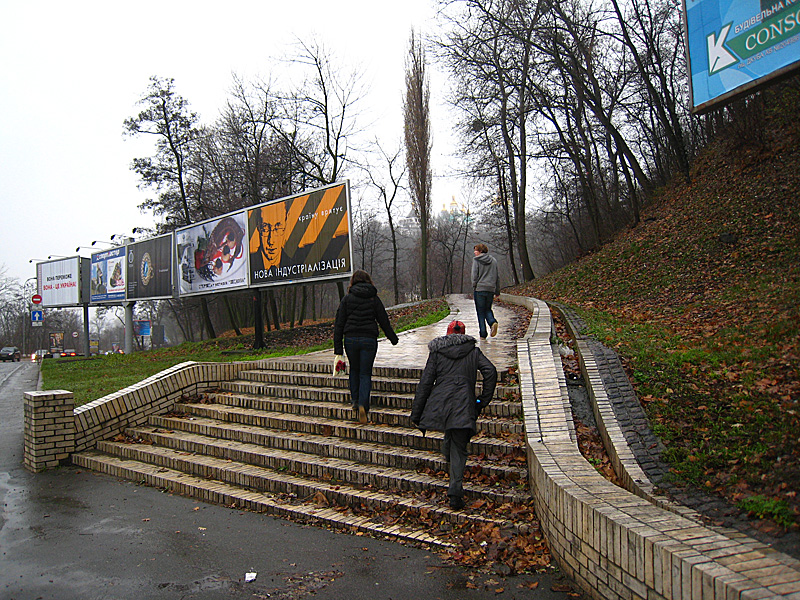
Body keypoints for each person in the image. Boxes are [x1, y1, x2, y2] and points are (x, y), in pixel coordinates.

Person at [410, 320, 497, 510]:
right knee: (458, 445)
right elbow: (490, 371)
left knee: (453, 436)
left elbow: (425, 383)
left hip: (441, 404)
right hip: (465, 404)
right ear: (464, 335)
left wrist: (416, 412)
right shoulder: (473, 352)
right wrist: (482, 401)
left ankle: (453, 484)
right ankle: (455, 492)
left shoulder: (437, 353)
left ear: (447, 334)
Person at [334, 270, 399, 424]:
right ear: (368, 281)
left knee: (354, 370)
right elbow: (383, 320)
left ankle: (355, 401)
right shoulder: (373, 298)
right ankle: (364, 404)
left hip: (350, 340)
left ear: (353, 282)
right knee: (365, 373)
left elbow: (339, 324)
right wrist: (393, 338)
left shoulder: (347, 299)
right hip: (369, 340)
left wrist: (338, 349)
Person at [471, 243, 500, 339]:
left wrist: (474, 285)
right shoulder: (494, 261)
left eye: (475, 250)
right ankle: (492, 322)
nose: (474, 252)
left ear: (480, 251)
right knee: (487, 309)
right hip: (490, 289)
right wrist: (497, 291)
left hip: (480, 289)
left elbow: (474, 275)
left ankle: (483, 333)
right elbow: (497, 276)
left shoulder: (476, 260)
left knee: (480, 311)